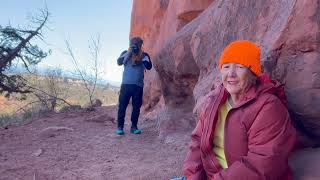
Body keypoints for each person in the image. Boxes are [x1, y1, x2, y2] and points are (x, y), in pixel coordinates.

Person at [183, 40, 297, 179]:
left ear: (253, 72)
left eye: (239, 67)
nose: (231, 74)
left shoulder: (268, 107)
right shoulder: (214, 100)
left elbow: (262, 163)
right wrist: (193, 177)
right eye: (226, 67)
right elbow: (197, 141)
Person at [116, 36, 152, 135]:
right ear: (130, 44)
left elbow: (149, 66)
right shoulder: (125, 53)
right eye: (133, 44)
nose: (135, 46)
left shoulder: (144, 55)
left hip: (138, 86)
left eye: (137, 44)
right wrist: (129, 52)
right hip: (126, 85)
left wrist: (141, 57)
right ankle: (120, 127)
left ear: (141, 45)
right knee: (122, 106)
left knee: (136, 107)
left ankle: (134, 127)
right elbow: (119, 62)